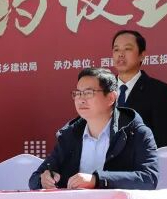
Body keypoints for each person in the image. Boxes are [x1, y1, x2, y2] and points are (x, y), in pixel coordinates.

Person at [29, 67, 159, 191]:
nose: (81, 99)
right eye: (78, 93)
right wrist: (43, 179)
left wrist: (97, 180)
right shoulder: (70, 135)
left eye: (88, 93)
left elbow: (149, 179)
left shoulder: (135, 132)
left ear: (111, 98)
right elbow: (35, 178)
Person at [112, 30, 167, 148]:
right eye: (116, 49)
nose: (120, 54)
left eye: (127, 49)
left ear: (142, 55)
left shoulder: (158, 91)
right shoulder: (102, 90)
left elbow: (165, 139)